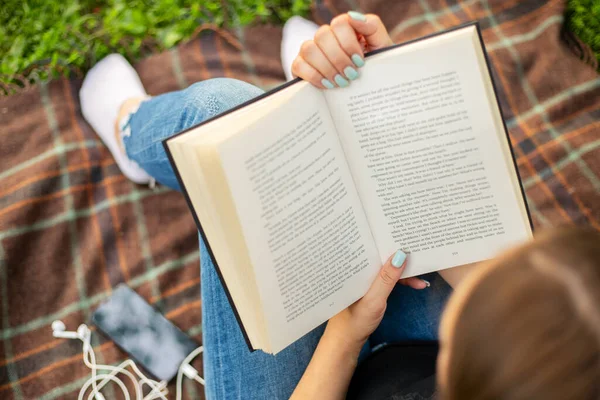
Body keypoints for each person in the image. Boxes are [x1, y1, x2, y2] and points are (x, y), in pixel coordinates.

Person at [79, 11, 600, 400]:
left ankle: (134, 135)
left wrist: (346, 335)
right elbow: (511, 289)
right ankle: (327, 111)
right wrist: (378, 91)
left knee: (218, 112)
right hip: (425, 359)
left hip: (333, 373)